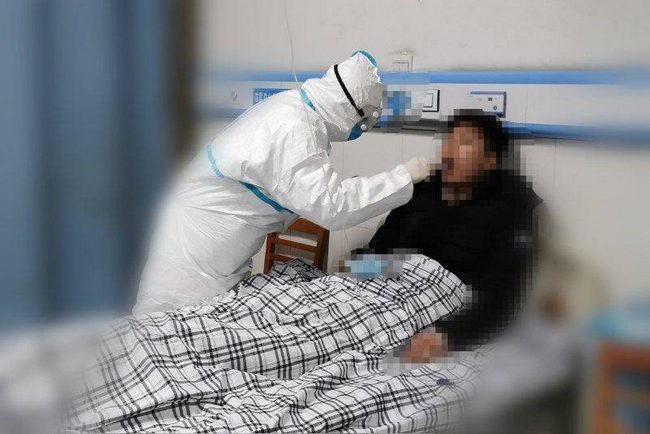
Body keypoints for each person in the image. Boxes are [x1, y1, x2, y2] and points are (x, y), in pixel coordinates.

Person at [134, 51, 429, 313]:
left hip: (211, 241)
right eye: (364, 119)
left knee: (187, 325)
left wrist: (361, 187)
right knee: (171, 327)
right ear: (351, 108)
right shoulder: (294, 128)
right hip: (197, 251)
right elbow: (333, 207)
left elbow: (306, 188)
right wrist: (402, 178)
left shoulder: (296, 110)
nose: (361, 128)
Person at [354, 109, 541, 362]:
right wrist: (351, 277)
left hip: (424, 310)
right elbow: (377, 248)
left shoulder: (511, 211)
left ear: (490, 160)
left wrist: (448, 337)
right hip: (371, 295)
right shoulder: (421, 191)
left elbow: (502, 301)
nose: (448, 152)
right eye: (448, 141)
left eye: (464, 143)